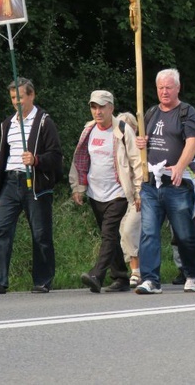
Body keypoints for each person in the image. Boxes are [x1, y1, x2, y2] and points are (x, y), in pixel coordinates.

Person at [0, 77, 62, 294]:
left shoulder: (45, 121)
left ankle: (43, 280)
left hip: (35, 183)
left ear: (31, 95)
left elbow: (56, 157)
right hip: (10, 182)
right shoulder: (7, 123)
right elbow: (2, 157)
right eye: (12, 98)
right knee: (2, 230)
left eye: (20, 97)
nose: (16, 102)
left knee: (40, 233)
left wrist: (36, 160)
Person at [134, 68, 195, 294]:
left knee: (184, 233)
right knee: (148, 232)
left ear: (178, 88)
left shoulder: (187, 112)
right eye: (161, 88)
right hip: (151, 183)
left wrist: (180, 166)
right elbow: (143, 139)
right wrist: (141, 143)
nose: (164, 92)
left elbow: (192, 142)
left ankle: (193, 272)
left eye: (169, 87)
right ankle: (150, 280)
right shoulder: (150, 113)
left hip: (177, 183)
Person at [70, 90, 142, 293]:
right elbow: (80, 159)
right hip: (95, 193)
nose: (97, 111)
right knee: (110, 236)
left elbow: (136, 162)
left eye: (102, 107)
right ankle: (120, 277)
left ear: (111, 107)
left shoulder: (122, 129)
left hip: (118, 192)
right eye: (94, 107)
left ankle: (97, 274)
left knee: (109, 234)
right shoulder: (89, 130)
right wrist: (78, 187)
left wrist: (138, 191)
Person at [116, 112, 142, 288]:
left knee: (129, 229)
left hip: (140, 195)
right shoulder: (117, 145)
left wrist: (139, 192)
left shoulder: (141, 145)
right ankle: (135, 270)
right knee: (123, 231)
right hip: (123, 195)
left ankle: (137, 270)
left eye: (128, 125)